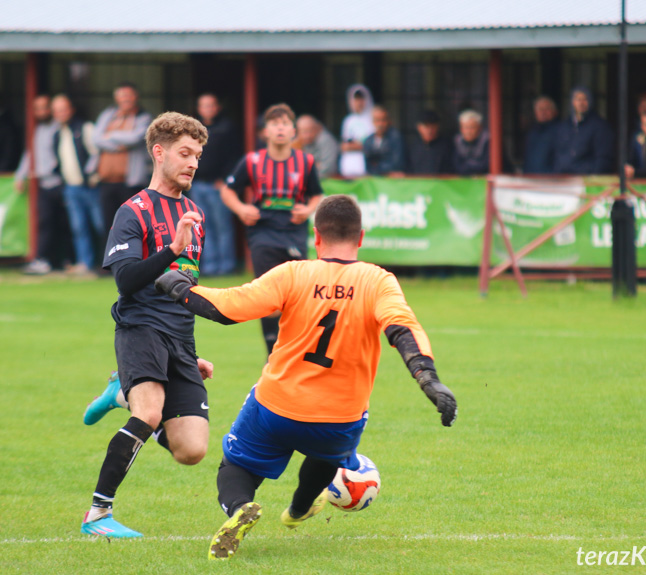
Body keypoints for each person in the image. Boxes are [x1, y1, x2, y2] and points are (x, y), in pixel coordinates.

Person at [152, 194, 458, 561]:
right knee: (327, 451)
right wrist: (428, 378)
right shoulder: (378, 280)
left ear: (316, 236)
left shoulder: (293, 273)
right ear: (360, 238)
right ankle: (297, 510)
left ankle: (239, 508)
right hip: (339, 416)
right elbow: (402, 329)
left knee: (236, 466)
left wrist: (180, 288)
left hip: (276, 406)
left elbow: (229, 308)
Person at [81, 111, 213, 538]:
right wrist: (171, 249)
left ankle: (121, 391)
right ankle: (98, 516)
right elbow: (125, 280)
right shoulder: (132, 211)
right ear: (159, 152)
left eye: (197, 155)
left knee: (191, 450)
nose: (193, 163)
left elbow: (187, 286)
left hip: (180, 337)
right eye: (184, 153)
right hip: (139, 327)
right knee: (149, 412)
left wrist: (192, 354)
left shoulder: (194, 211)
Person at [220, 103, 324, 356]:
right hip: (263, 233)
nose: (280, 128)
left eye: (285, 124)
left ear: (293, 131)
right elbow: (227, 190)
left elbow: (318, 196)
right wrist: (242, 209)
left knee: (297, 296)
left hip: (293, 231)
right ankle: (273, 355)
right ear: (265, 131)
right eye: (274, 124)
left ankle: (294, 350)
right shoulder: (253, 161)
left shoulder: (306, 162)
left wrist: (308, 210)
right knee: (269, 294)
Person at [13, 95, 71, 275]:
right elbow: (30, 153)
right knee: (45, 223)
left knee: (64, 224)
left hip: (60, 182)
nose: (42, 112)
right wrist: (20, 175)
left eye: (45, 108)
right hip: (43, 185)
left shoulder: (59, 128)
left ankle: (64, 260)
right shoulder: (37, 130)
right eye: (37, 108)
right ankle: (43, 260)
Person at [91, 83, 153, 248]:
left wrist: (109, 136)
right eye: (122, 95)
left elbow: (135, 138)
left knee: (132, 223)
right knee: (107, 225)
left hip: (130, 182)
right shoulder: (108, 115)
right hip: (106, 181)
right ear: (116, 98)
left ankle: (133, 259)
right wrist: (117, 143)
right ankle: (109, 263)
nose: (125, 98)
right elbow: (96, 138)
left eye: (129, 95)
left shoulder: (143, 117)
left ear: (136, 97)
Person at [190, 93, 242, 277]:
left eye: (211, 105)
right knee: (203, 226)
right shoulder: (193, 129)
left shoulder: (227, 128)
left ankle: (226, 266)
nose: (208, 109)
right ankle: (210, 266)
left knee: (223, 226)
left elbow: (235, 156)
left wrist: (225, 179)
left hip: (218, 185)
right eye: (204, 105)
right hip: (197, 184)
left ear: (217, 107)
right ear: (199, 109)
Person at [52, 95, 101, 276]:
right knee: (79, 227)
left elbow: (96, 153)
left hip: (90, 186)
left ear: (71, 109)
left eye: (63, 109)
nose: (60, 113)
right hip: (71, 187)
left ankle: (107, 263)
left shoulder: (85, 128)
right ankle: (85, 263)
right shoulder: (57, 134)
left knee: (100, 224)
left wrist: (92, 175)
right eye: (57, 110)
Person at [552, 87, 614, 175]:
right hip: (563, 181)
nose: (581, 103)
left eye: (585, 99)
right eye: (578, 99)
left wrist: (594, 178)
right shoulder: (564, 126)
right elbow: (558, 154)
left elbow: (603, 157)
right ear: (573, 102)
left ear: (590, 102)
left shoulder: (600, 126)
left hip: (586, 181)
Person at [339, 84, 375, 177]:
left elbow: (372, 144)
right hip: (349, 164)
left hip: (366, 164)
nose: (359, 102)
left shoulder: (373, 118)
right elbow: (344, 144)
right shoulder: (348, 120)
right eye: (356, 99)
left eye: (361, 99)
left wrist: (358, 146)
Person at [405, 109, 453, 175]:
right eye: (426, 126)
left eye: (432, 126)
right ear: (419, 127)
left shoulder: (447, 146)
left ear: (438, 127)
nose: (429, 130)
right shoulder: (413, 147)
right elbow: (409, 172)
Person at [362, 105, 405, 176]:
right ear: (372, 121)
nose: (380, 124)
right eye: (377, 120)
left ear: (389, 121)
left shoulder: (395, 138)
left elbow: (397, 164)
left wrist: (377, 167)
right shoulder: (368, 141)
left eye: (383, 120)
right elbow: (368, 166)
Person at [522, 96, 559, 174]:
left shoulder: (560, 131)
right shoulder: (531, 133)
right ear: (535, 112)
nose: (543, 112)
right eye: (540, 109)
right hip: (530, 179)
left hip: (551, 181)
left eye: (547, 109)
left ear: (554, 112)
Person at [453, 109, 489, 176]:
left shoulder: (487, 141)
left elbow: (486, 165)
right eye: (466, 127)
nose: (468, 132)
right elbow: (456, 165)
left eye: (472, 128)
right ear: (461, 129)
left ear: (480, 128)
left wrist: (468, 166)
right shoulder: (457, 141)